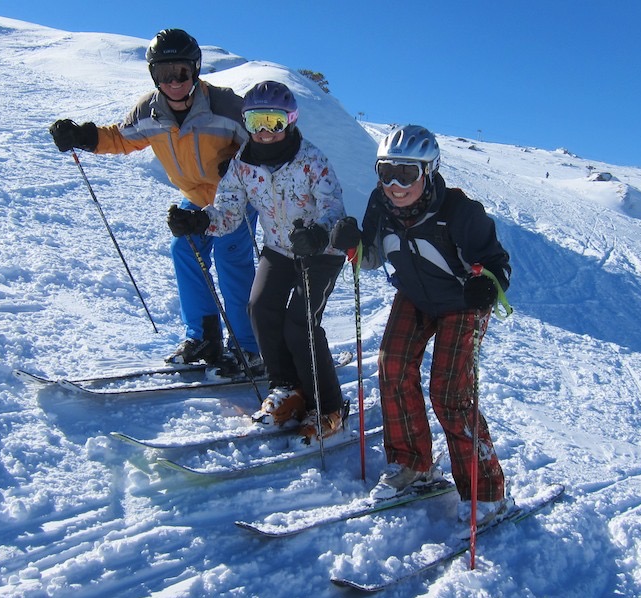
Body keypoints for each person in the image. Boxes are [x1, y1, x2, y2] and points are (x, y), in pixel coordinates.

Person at [331, 125, 513, 523]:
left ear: (428, 172)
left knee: (450, 391)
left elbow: (498, 267)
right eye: (386, 172)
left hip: (463, 302)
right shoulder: (381, 205)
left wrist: (487, 285)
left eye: (407, 173)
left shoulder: (462, 213)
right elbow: (373, 256)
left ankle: (487, 492)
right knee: (392, 365)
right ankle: (412, 464)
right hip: (415, 295)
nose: (395, 185)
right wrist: (353, 244)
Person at [48, 28, 259, 368]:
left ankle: (250, 347)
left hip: (236, 199)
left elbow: (262, 142)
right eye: (164, 73)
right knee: (185, 249)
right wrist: (83, 136)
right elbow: (121, 138)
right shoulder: (150, 111)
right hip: (196, 197)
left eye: (181, 72)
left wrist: (235, 163)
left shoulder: (225, 105)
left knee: (228, 257)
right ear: (153, 75)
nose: (174, 82)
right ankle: (204, 339)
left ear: (196, 70)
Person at [168, 81, 348, 443]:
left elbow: (335, 211)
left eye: (273, 121)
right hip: (279, 250)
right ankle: (287, 390)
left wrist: (318, 234)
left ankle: (329, 407)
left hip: (320, 253)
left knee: (300, 324)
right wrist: (200, 221)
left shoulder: (312, 160)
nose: (264, 132)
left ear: (290, 121)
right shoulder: (241, 164)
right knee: (260, 308)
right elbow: (230, 216)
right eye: (255, 122)